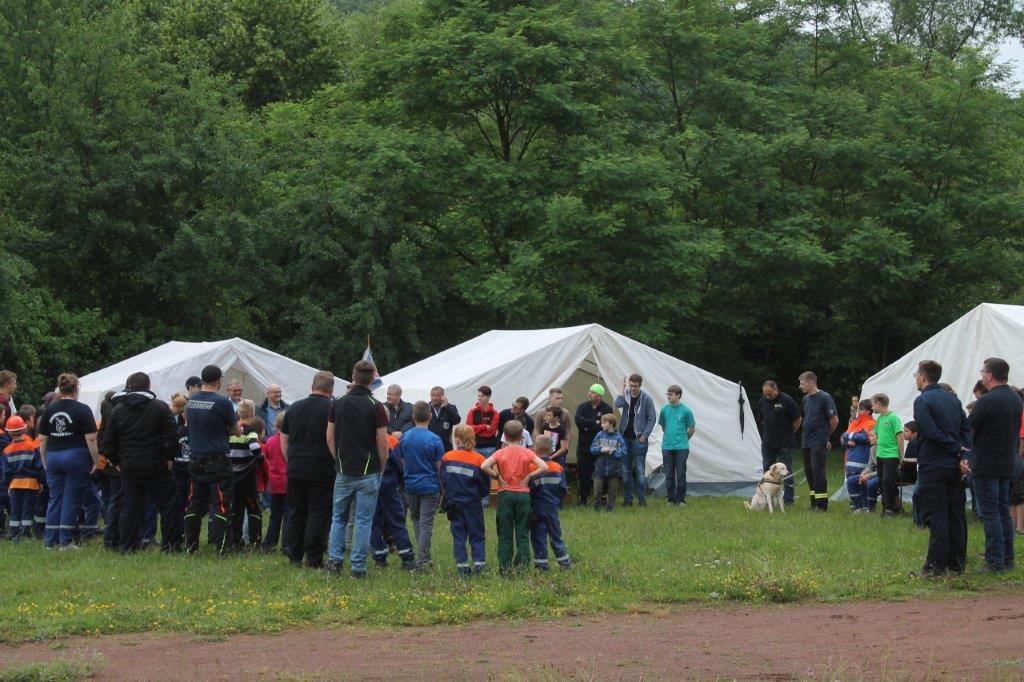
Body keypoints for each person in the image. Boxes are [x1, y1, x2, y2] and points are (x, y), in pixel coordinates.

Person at [101, 372, 182, 553]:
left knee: (130, 506)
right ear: (149, 386)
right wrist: (169, 456)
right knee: (169, 503)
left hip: (129, 466)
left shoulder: (118, 410)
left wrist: (116, 461)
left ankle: (128, 546)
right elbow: (173, 435)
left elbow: (108, 442)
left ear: (129, 386)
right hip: (156, 464)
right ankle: (171, 545)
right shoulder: (160, 407)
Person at [326, 360, 389, 579]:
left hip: (344, 468)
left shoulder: (338, 403)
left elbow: (330, 436)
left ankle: (335, 560)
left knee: (339, 517)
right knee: (363, 521)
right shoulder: (376, 405)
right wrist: (381, 467)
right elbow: (383, 443)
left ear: (353, 376)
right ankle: (358, 567)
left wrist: (338, 459)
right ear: (373, 378)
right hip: (368, 470)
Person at [912, 359, 971, 577]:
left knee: (937, 515)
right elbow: (966, 430)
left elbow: (930, 432)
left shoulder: (923, 400)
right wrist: (963, 452)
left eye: (916, 375)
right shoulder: (953, 400)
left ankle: (935, 566)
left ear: (923, 376)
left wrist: (956, 447)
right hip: (953, 465)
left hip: (933, 464)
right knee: (956, 514)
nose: (916, 379)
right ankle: (957, 564)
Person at [965, 357, 1023, 573]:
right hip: (1007, 462)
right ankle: (1007, 558)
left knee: (990, 514)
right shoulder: (1016, 399)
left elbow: (969, 429)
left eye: (982, 372)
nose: (981, 375)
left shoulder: (987, 401)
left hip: (987, 463)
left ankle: (994, 561)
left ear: (989, 375)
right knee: (1002, 510)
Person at [280, 370, 336, 569]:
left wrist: (291, 460)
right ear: (331, 389)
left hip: (296, 466)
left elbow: (284, 440)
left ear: (312, 386)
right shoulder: (331, 408)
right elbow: (333, 438)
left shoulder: (294, 408)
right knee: (318, 512)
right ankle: (313, 557)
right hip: (322, 466)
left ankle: (294, 554)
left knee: (296, 510)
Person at [38, 373, 100, 549]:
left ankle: (50, 541)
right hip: (75, 456)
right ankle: (65, 541)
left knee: (54, 498)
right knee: (71, 499)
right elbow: (91, 439)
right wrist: (95, 461)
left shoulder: (50, 409)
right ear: (76, 388)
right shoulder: (82, 409)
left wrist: (45, 461)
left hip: (54, 456)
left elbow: (42, 439)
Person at [183, 365, 239, 555]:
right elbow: (234, 428)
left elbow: (186, 421)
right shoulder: (222, 402)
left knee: (194, 502)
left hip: (196, 457)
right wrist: (236, 430)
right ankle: (222, 547)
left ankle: (191, 546)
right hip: (217, 459)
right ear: (219, 381)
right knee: (222, 503)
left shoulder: (191, 400)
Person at [481, 421, 548, 572]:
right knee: (522, 532)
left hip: (505, 494)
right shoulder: (527, 452)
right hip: (523, 495)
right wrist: (530, 475)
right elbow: (545, 466)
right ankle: (522, 566)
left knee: (505, 532)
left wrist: (496, 476)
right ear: (522, 437)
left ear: (504, 436)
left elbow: (484, 465)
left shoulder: (500, 452)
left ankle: (505, 567)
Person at [396, 401, 445, 570]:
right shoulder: (435, 439)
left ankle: (424, 555)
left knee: (415, 519)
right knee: (426, 523)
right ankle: (423, 558)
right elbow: (439, 467)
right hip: (429, 484)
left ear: (412, 417)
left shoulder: (405, 437)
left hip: (410, 484)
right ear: (430, 417)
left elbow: (402, 462)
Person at [440, 425, 490, 576]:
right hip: (472, 503)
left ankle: (462, 567)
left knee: (458, 535)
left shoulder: (447, 457)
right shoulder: (479, 459)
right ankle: (479, 566)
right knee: (477, 535)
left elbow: (442, 480)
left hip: (453, 503)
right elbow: (484, 485)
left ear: (457, 439)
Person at [370, 432, 416, 570]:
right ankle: (406, 556)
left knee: (374, 522)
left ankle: (379, 556)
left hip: (370, 484)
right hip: (389, 485)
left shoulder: (365, 436)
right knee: (396, 520)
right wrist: (402, 482)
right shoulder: (391, 440)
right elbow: (400, 464)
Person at [529, 435, 571, 570]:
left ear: (535, 449)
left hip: (536, 509)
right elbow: (563, 489)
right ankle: (565, 564)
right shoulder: (558, 467)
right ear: (552, 449)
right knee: (555, 536)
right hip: (552, 508)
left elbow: (528, 489)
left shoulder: (531, 467)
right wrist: (556, 500)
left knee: (538, 537)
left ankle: (542, 566)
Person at [798, 371, 838, 512]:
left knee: (817, 471)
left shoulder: (824, 397)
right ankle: (814, 502)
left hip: (818, 441)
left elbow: (834, 421)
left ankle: (822, 505)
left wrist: (825, 436)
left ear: (811, 382)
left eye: (802, 384)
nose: (800, 386)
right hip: (806, 440)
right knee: (809, 471)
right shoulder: (806, 399)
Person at [757, 381, 802, 505]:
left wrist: (790, 433)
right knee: (767, 469)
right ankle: (767, 497)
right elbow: (762, 420)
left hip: (784, 442)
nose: (767, 397)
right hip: (768, 442)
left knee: (786, 470)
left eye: (770, 394)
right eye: (765, 394)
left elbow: (798, 419)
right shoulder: (762, 401)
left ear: (776, 389)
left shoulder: (787, 400)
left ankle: (788, 499)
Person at [614, 374, 656, 507]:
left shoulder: (647, 398)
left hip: (639, 439)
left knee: (639, 470)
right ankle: (628, 500)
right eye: (631, 385)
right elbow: (618, 404)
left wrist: (645, 435)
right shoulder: (625, 395)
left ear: (640, 385)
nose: (633, 388)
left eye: (635, 386)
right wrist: (622, 388)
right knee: (625, 471)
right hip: (624, 438)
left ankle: (642, 500)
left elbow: (652, 418)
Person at [228, 400, 264, 550]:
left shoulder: (230, 430)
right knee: (254, 509)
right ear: (252, 414)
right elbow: (255, 448)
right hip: (247, 477)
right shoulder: (250, 431)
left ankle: (235, 541)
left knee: (235, 510)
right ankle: (255, 541)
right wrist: (260, 458)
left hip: (232, 476)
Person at [2, 415, 44, 539]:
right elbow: (38, 466)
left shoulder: (7, 450)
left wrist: (7, 485)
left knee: (15, 509)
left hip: (15, 484)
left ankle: (14, 534)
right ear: (24, 429)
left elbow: (6, 472)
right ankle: (25, 533)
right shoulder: (31, 447)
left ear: (9, 432)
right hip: (30, 484)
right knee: (27, 509)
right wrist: (40, 481)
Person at [573, 384, 612, 507]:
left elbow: (605, 425)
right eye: (589, 391)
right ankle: (583, 498)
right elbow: (578, 421)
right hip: (584, 447)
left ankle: (602, 498)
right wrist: (594, 422)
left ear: (599, 396)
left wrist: (587, 425)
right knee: (584, 473)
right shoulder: (582, 407)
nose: (589, 394)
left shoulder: (607, 408)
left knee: (602, 473)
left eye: (593, 393)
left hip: (600, 447)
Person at [659, 385, 696, 506]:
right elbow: (663, 426)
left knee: (681, 475)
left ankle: (680, 500)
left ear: (678, 395)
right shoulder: (664, 410)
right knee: (669, 475)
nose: (668, 396)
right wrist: (670, 437)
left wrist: (684, 440)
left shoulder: (686, 410)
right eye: (667, 394)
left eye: (671, 394)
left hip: (682, 448)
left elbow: (691, 429)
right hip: (667, 447)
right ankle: (671, 499)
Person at [871, 394, 904, 517]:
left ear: (879, 404)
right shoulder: (879, 419)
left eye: (873, 404)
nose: (872, 407)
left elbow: (899, 436)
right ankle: (886, 507)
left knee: (887, 480)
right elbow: (877, 434)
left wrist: (901, 455)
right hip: (881, 454)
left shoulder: (893, 417)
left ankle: (890, 508)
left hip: (891, 454)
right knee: (881, 480)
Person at [261, 411, 289, 554]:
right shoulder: (290, 441)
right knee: (288, 515)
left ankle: (269, 544)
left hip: (274, 482)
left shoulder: (270, 441)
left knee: (275, 515)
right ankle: (287, 545)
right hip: (288, 481)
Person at [841, 400, 876, 511]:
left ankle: (865, 508)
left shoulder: (871, 423)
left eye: (862, 409)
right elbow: (842, 438)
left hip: (862, 461)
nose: (859, 412)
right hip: (850, 461)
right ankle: (856, 507)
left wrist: (848, 435)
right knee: (852, 483)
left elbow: (864, 437)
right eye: (858, 409)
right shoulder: (854, 422)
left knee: (862, 485)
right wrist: (847, 441)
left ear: (869, 411)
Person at [590, 414, 626, 511]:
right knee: (597, 490)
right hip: (600, 468)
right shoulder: (599, 435)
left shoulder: (618, 438)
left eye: (604, 423)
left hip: (613, 469)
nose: (601, 425)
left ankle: (610, 508)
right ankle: (596, 507)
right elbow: (592, 449)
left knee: (612, 490)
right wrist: (601, 449)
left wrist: (612, 451)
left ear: (611, 424)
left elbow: (623, 452)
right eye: (601, 422)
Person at [467, 386, 500, 457]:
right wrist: (484, 427)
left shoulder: (495, 413)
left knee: (487, 468)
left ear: (488, 397)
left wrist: (476, 429)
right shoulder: (472, 411)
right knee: (475, 468)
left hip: (489, 447)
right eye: (478, 396)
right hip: (475, 446)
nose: (479, 398)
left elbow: (492, 431)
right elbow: (469, 429)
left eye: (482, 396)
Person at [427, 386, 460, 452]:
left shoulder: (450, 407)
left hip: (445, 447)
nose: (434, 398)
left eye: (437, 396)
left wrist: (447, 407)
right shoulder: (426, 408)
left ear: (443, 397)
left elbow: (457, 420)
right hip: (429, 446)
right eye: (432, 395)